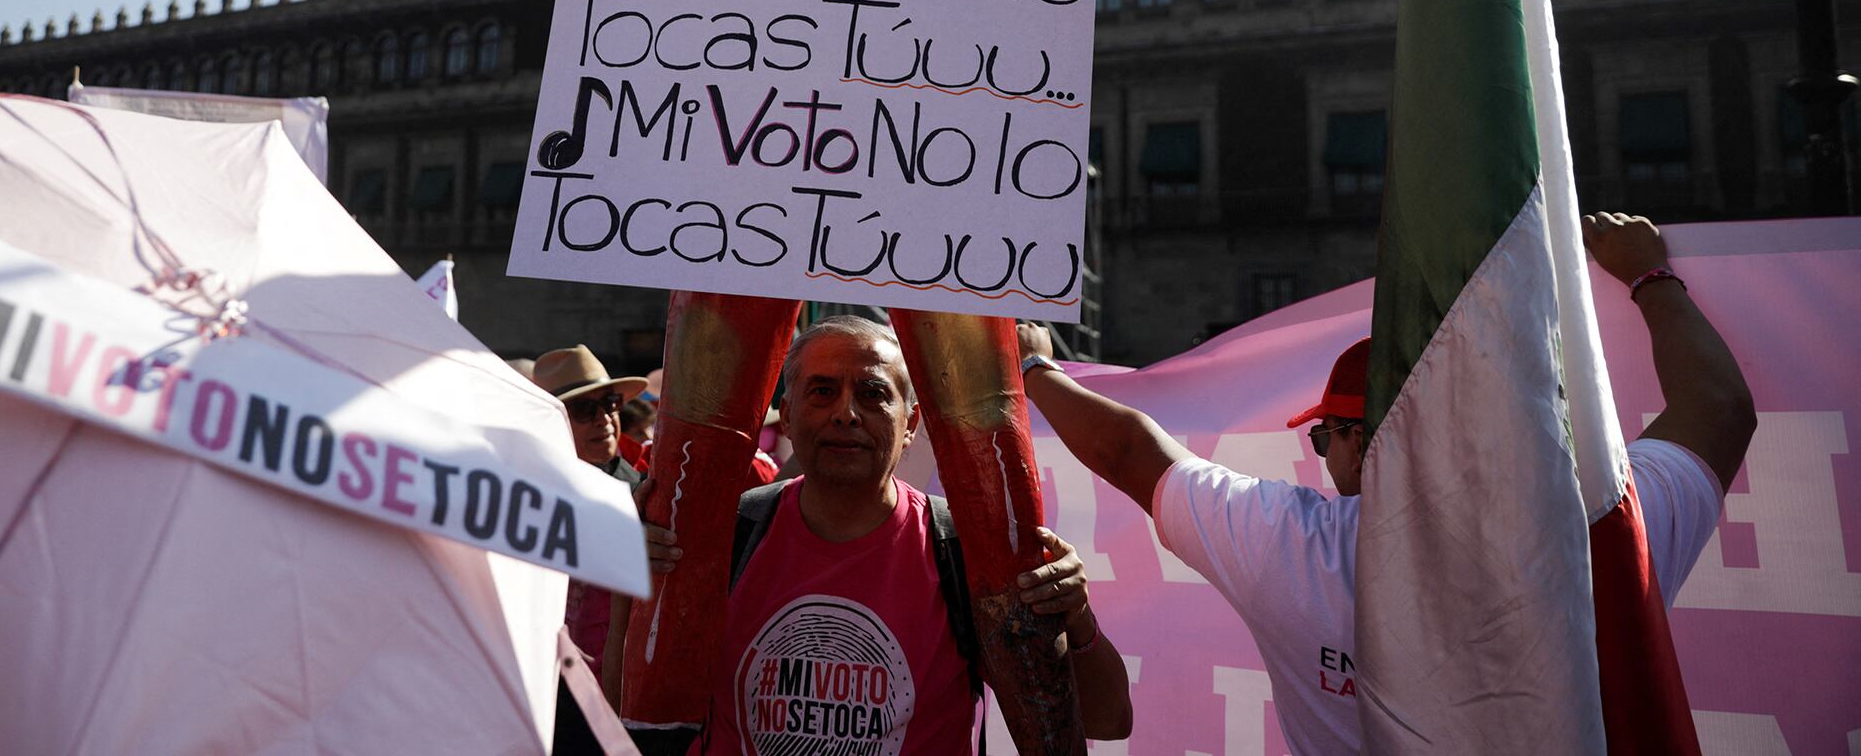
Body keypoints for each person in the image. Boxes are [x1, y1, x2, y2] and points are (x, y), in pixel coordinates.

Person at [1016, 212, 1755, 756]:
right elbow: (1718, 412)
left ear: (1361, 440)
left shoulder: (1295, 549)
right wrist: (1650, 275)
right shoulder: (1592, 528)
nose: (1321, 455)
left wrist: (1032, 368)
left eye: (1324, 435)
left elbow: (1129, 452)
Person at [621, 314, 1132, 752]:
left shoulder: (964, 551)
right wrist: (630, 580)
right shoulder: (725, 536)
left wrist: (1076, 616)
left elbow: (1107, 722)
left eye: (872, 394)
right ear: (790, 415)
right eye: (823, 391)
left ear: (910, 424)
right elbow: (626, 711)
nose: (846, 414)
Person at [533, 345, 650, 754]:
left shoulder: (647, 489)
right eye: (584, 410)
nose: (604, 418)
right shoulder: (528, 498)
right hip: (554, 689)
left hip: (630, 693)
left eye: (609, 403)